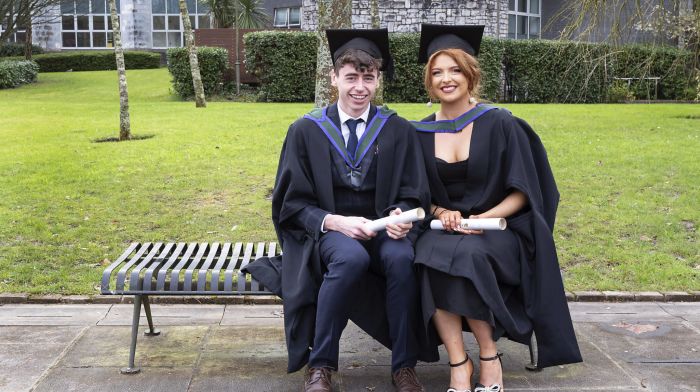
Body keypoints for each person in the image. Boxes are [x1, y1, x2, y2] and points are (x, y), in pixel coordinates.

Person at [244, 28, 438, 392]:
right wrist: (333, 221)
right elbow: (291, 203)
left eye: (368, 77)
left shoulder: (396, 129)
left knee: (400, 259)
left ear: (378, 79)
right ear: (334, 78)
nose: (359, 87)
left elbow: (415, 191)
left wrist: (401, 214)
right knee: (349, 258)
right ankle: (321, 365)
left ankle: (404, 367)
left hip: (384, 230)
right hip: (333, 232)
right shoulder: (306, 130)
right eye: (351, 77)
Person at [410, 24, 583, 392]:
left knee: (470, 257)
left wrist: (481, 219)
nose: (446, 79)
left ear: (470, 74)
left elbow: (524, 190)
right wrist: (442, 213)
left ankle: (489, 356)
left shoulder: (501, 123)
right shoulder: (419, 133)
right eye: (437, 72)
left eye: (455, 69)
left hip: (500, 231)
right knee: (426, 256)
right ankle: (460, 363)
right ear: (429, 80)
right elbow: (416, 192)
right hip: (444, 228)